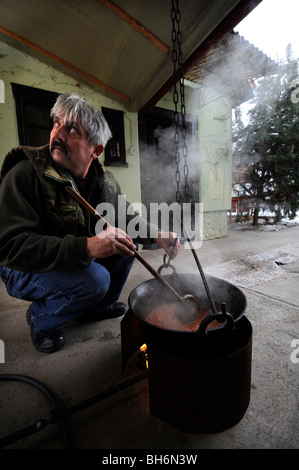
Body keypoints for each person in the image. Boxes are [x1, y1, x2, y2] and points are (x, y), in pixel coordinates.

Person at [0, 93, 180, 353]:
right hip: (20, 266)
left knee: (128, 246)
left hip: (66, 258)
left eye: (72, 129)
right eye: (56, 123)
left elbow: (127, 219)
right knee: (95, 280)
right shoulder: (26, 173)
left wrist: (159, 235)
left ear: (96, 150)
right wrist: (87, 247)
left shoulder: (103, 180)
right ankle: (42, 319)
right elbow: (10, 246)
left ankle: (95, 307)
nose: (57, 134)